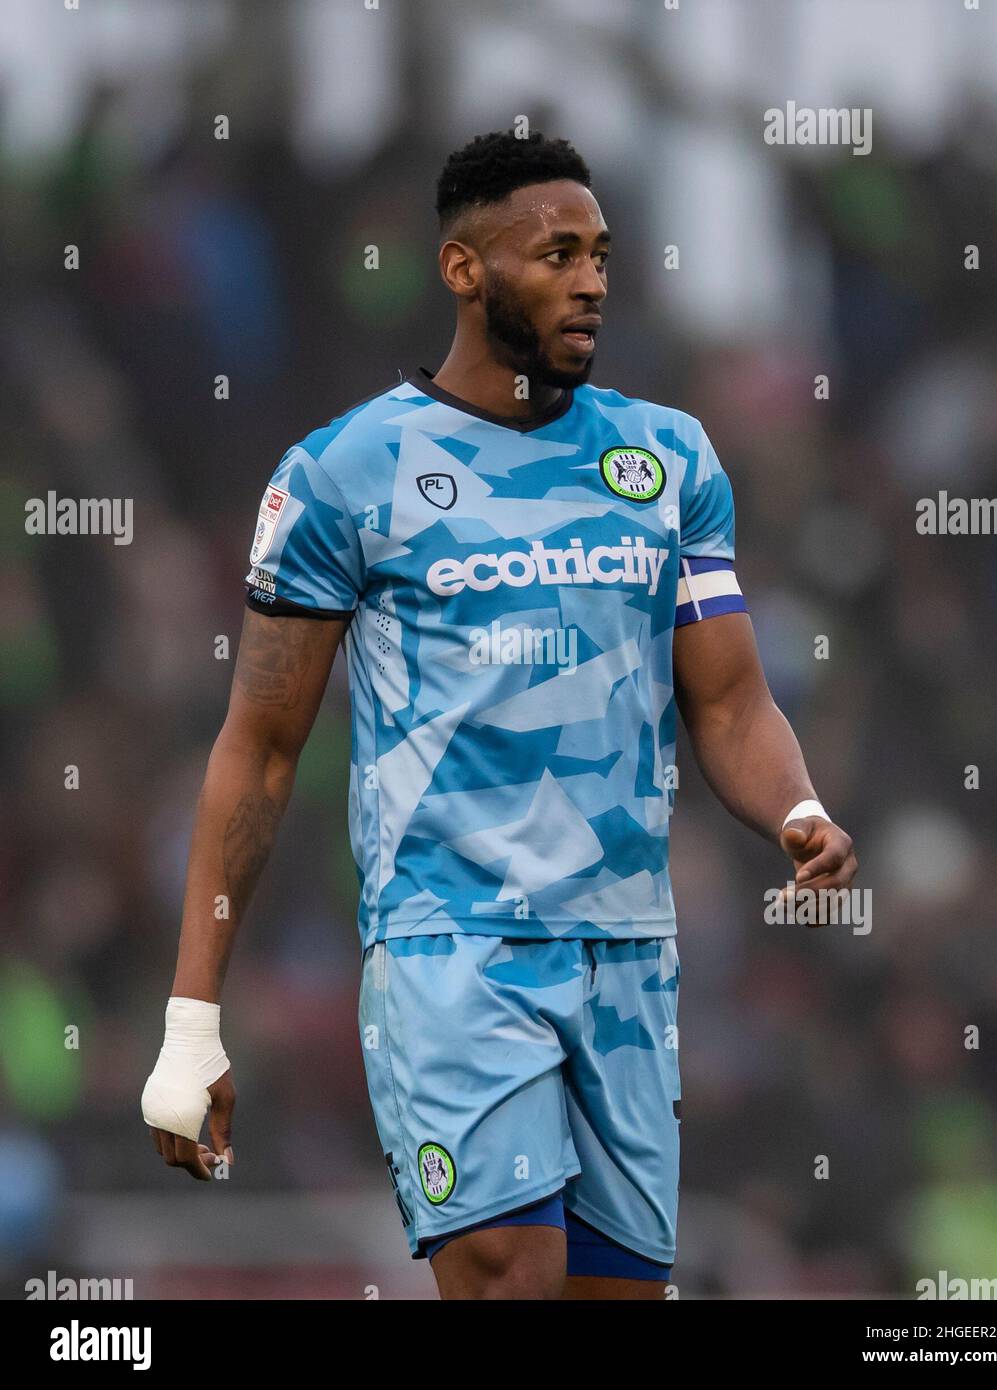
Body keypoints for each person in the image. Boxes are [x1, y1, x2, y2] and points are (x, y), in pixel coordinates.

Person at [142, 130, 857, 1300]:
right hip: (451, 948)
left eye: (603, 256)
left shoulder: (667, 460)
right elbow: (261, 753)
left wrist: (798, 806)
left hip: (629, 960)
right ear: (464, 271)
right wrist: (190, 1018)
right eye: (556, 253)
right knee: (511, 1275)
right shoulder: (342, 475)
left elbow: (727, 697)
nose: (590, 280)